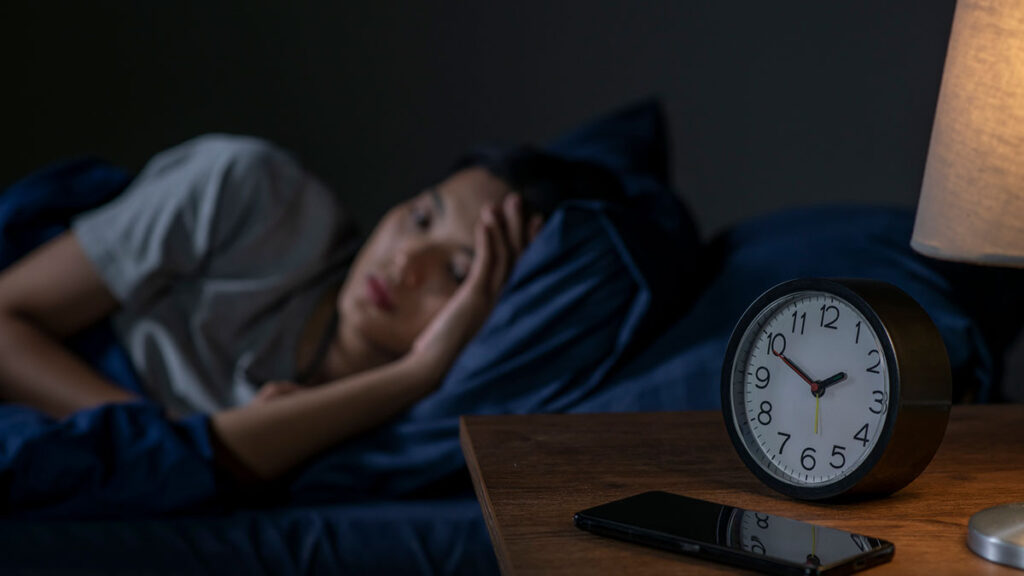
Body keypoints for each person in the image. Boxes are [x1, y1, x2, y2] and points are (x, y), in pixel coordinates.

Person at [0, 135, 622, 484]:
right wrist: (163, 437)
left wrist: (420, 373)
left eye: (458, 272)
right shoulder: (253, 194)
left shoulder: (390, 433)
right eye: (421, 217)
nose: (406, 262)